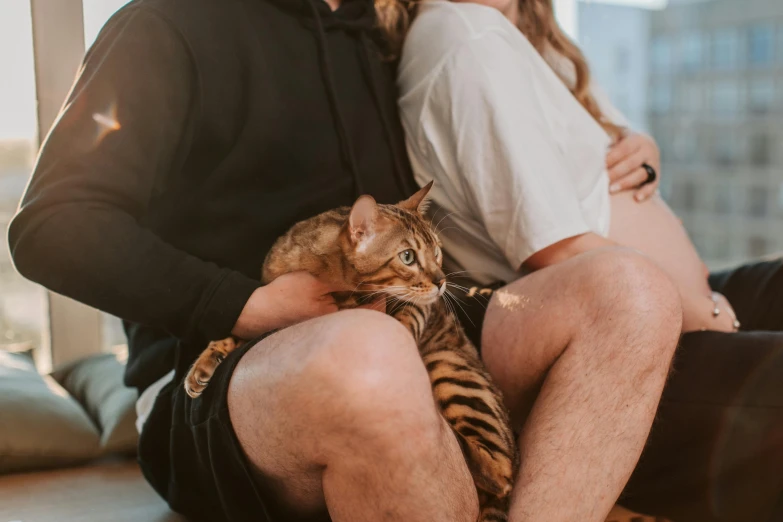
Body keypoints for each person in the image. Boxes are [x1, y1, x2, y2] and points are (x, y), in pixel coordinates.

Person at [8, 0, 682, 521]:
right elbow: (52, 228)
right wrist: (246, 305)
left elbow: (529, 92)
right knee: (367, 353)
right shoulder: (162, 24)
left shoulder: (389, 31)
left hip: (414, 330)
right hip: (214, 379)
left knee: (630, 290)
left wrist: (626, 140)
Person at [396, 0, 783, 520]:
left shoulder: (530, 37)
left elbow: (613, 150)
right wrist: (715, 314)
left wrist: (642, 149)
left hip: (685, 299)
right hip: (627, 336)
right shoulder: (466, 35)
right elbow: (555, 248)